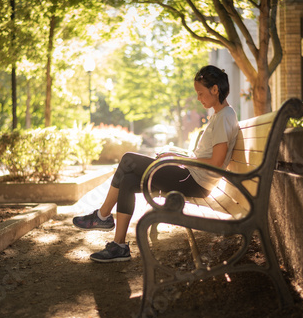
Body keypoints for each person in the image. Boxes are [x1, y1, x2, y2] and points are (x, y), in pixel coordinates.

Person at [73, 65, 239, 263]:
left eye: (200, 93)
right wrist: (176, 153)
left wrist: (181, 160)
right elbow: (204, 155)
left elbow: (216, 162)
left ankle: (102, 216)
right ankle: (119, 246)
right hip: (192, 176)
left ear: (215, 90)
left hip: (195, 182)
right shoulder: (222, 115)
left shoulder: (223, 117)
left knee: (128, 159)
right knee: (128, 179)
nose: (198, 98)